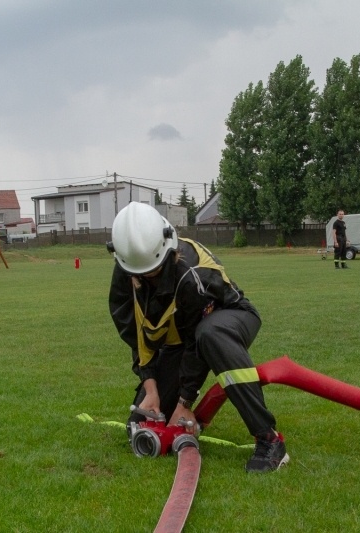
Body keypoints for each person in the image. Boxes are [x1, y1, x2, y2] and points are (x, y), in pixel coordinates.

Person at [108, 202, 288, 473]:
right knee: (140, 423)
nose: (146, 277)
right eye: (139, 273)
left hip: (229, 318)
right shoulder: (128, 265)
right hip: (182, 337)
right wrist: (151, 388)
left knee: (210, 334)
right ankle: (188, 419)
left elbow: (195, 342)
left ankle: (269, 440)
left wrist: (185, 401)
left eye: (152, 271)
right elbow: (135, 331)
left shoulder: (191, 275)